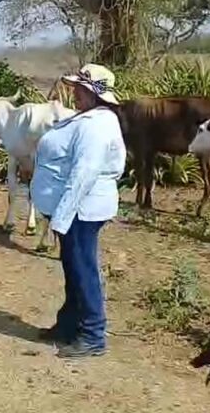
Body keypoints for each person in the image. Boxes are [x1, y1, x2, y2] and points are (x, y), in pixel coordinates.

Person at [31, 63, 126, 359]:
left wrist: (62, 217)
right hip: (73, 209)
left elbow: (84, 172)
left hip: (80, 210)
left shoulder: (95, 125)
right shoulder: (88, 118)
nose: (74, 93)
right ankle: (70, 324)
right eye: (75, 88)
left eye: (80, 89)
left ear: (94, 93)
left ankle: (93, 334)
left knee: (83, 268)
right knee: (74, 268)